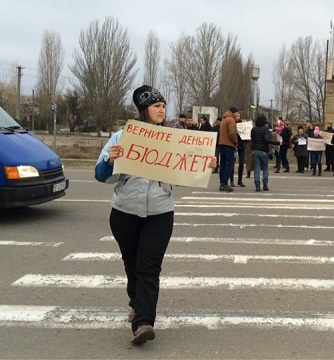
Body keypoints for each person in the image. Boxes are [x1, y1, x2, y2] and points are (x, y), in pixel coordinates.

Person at [95, 85, 217, 345]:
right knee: (132, 266)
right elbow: (100, 176)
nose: (161, 110)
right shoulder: (121, 137)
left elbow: (187, 172)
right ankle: (136, 303)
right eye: (156, 106)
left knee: (148, 268)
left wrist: (205, 165)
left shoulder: (175, 139)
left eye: (163, 106)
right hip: (124, 212)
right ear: (143, 110)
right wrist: (109, 161)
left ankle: (143, 323)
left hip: (160, 213)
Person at [251, 114, 281, 192]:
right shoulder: (266, 129)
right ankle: (265, 185)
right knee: (265, 168)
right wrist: (277, 143)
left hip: (255, 150)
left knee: (257, 168)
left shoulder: (253, 129)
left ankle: (257, 186)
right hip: (264, 150)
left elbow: (252, 140)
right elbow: (266, 139)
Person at [218, 106, 239, 192]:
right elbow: (232, 133)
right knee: (230, 164)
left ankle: (221, 182)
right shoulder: (231, 120)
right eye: (237, 113)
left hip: (222, 143)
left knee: (222, 163)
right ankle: (224, 182)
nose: (238, 114)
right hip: (229, 144)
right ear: (234, 112)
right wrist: (235, 142)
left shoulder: (224, 119)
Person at [230, 113, 247, 187]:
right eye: (236, 116)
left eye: (239, 116)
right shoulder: (232, 124)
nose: (238, 118)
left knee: (241, 163)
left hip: (241, 145)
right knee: (232, 163)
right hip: (233, 145)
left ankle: (240, 180)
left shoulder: (241, 124)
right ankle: (231, 180)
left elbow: (245, 134)